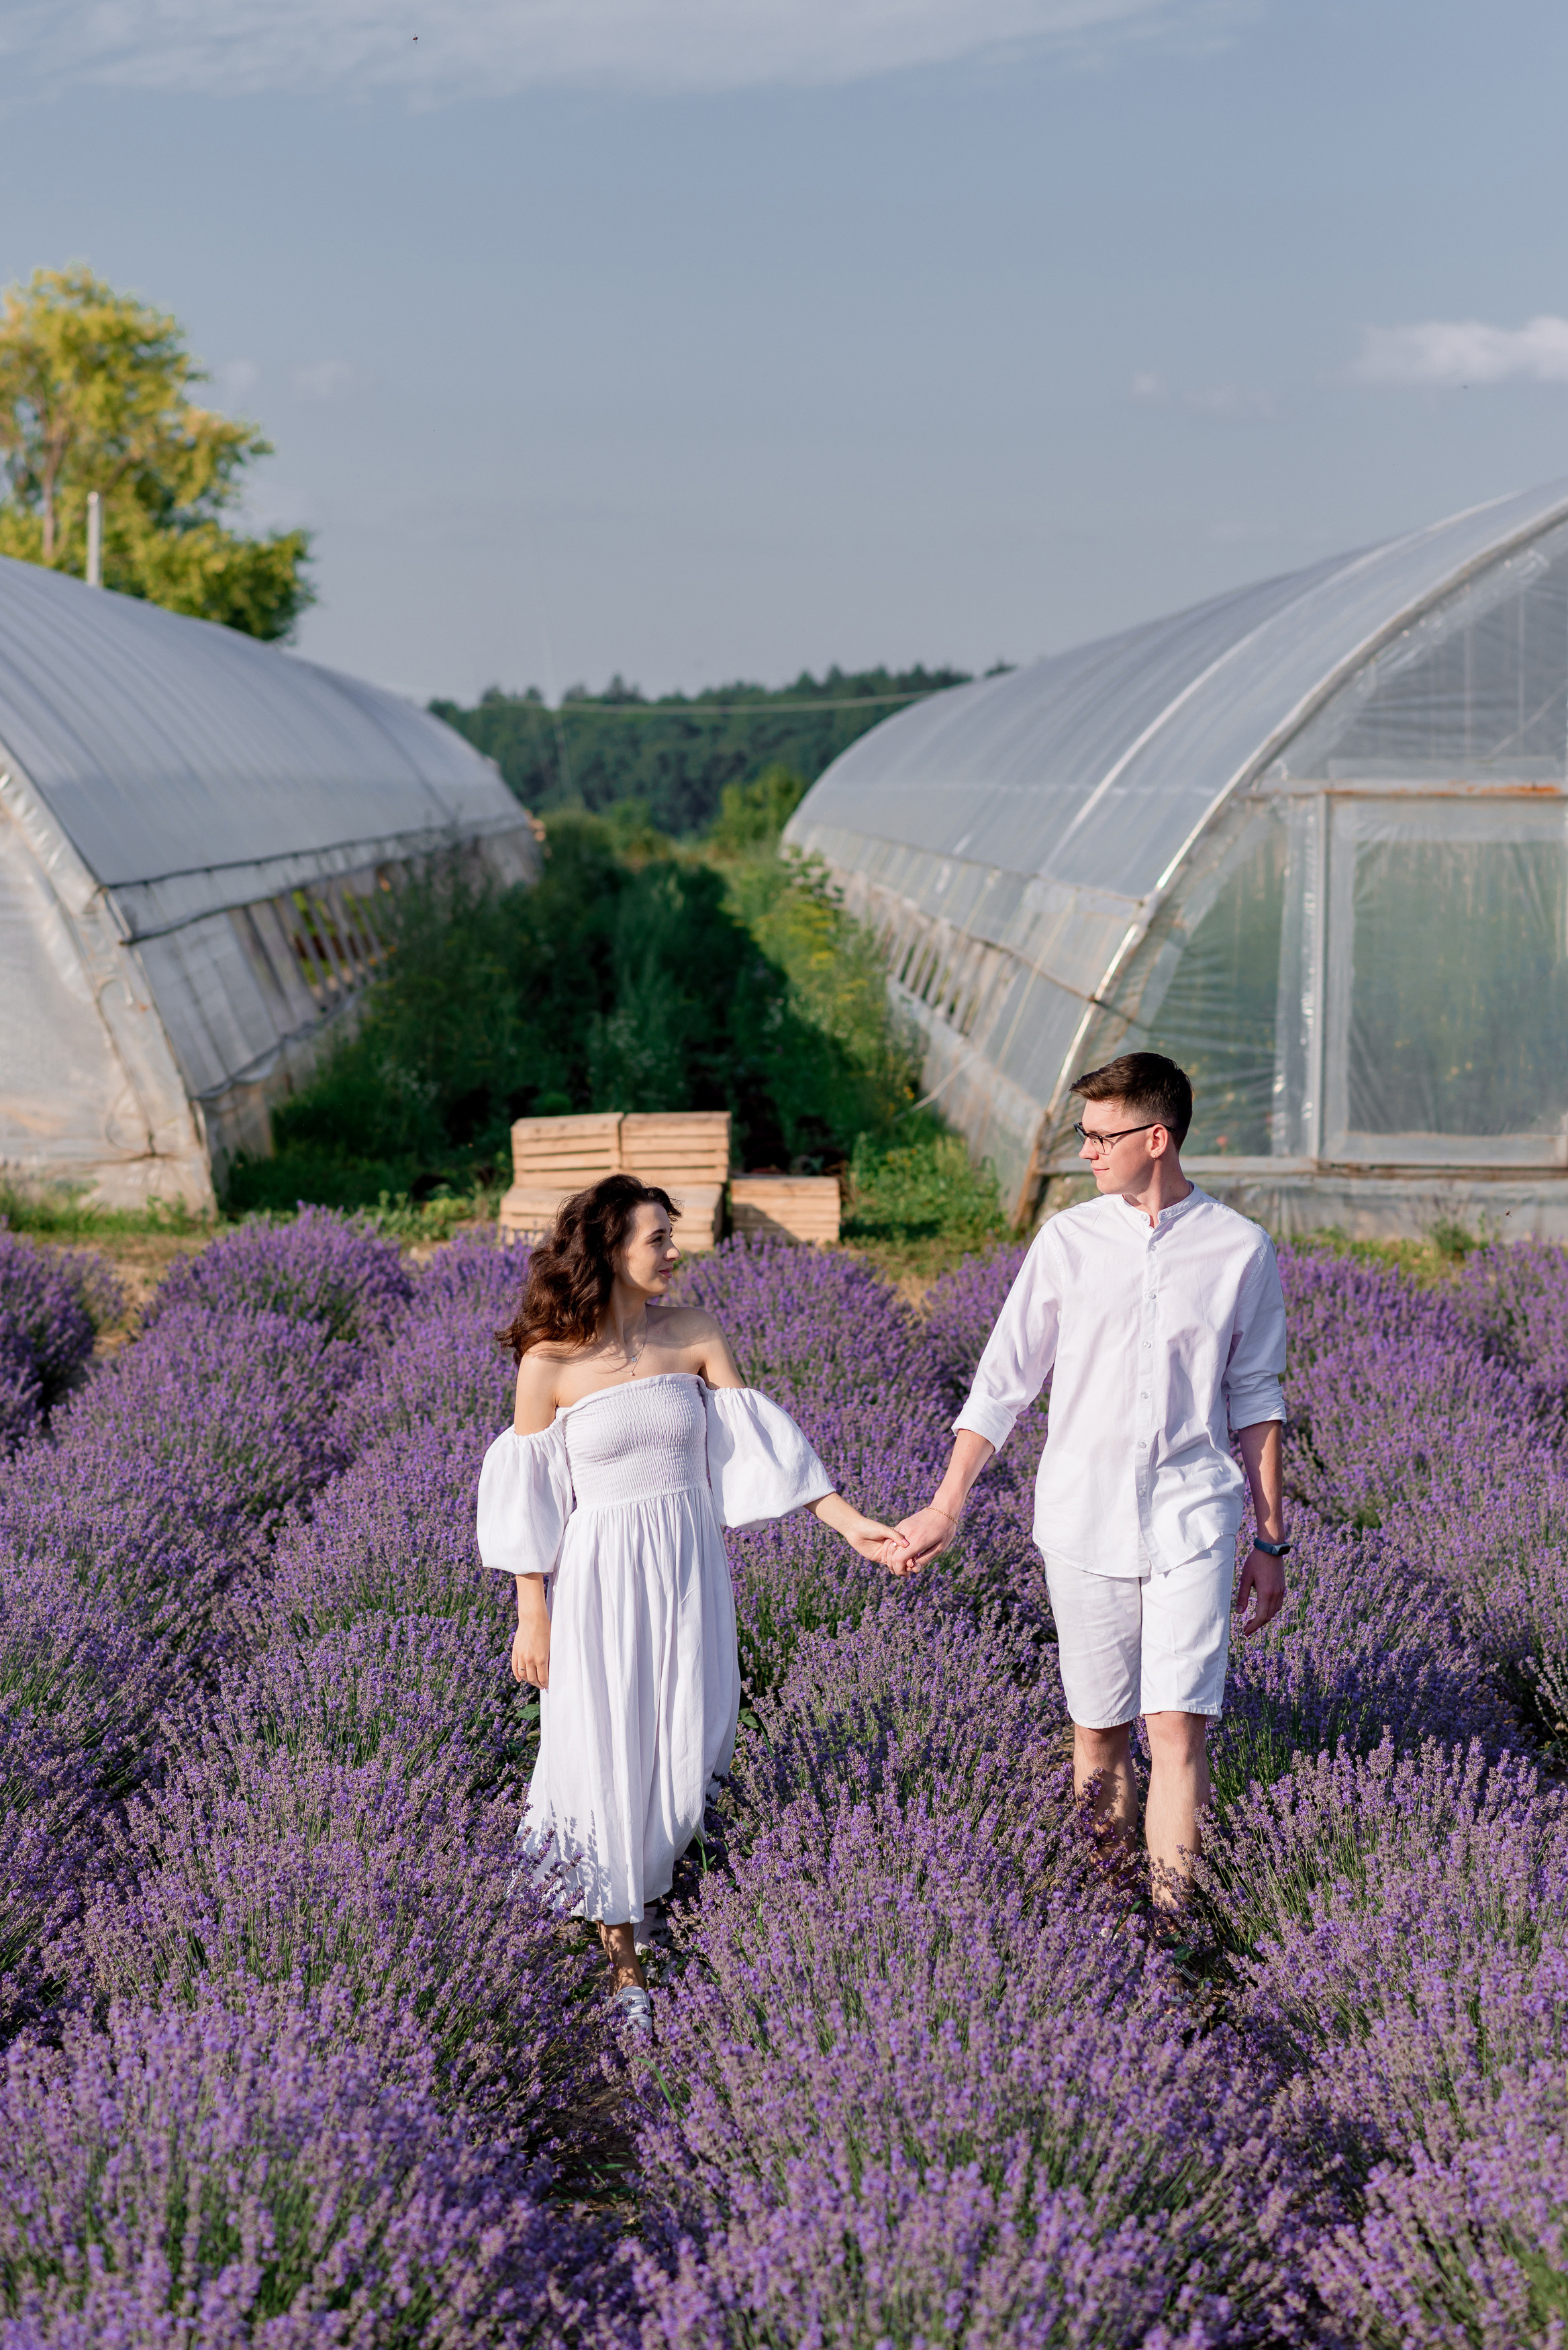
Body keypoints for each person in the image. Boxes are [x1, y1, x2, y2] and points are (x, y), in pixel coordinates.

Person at [477, 1173, 897, 2034]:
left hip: (687, 1573)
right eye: (657, 1239)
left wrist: (851, 1525)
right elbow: (530, 1500)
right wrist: (532, 1612)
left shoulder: (695, 1334)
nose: (676, 1252)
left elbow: (760, 1449)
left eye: (673, 1236)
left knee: (684, 1748)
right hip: (595, 1582)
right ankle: (623, 1954)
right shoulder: (548, 1363)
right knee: (604, 1755)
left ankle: (639, 1882)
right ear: (608, 1250)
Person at [889, 1051, 1289, 1906]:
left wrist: (1268, 1536)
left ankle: (1174, 1932)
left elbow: (1255, 1396)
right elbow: (1002, 1380)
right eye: (1082, 1133)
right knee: (1100, 1731)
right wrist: (945, 1503)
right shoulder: (1067, 1241)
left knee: (1177, 1726)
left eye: (1100, 1135)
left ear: (1156, 1136)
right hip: (1082, 1518)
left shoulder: (1239, 1249)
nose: (1085, 1152)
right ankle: (1112, 1921)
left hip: (1192, 1516)